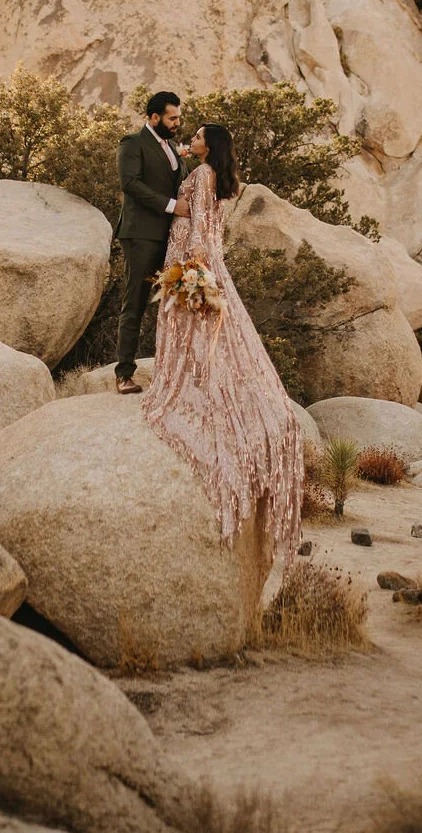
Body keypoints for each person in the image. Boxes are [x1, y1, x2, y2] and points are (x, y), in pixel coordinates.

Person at [142, 123, 304, 566]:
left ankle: (184, 377)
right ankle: (191, 369)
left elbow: (200, 222)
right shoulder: (214, 174)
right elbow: (212, 224)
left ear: (209, 145)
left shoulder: (204, 173)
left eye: (197, 136)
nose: (192, 140)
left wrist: (194, 263)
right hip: (200, 250)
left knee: (185, 318)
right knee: (196, 323)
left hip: (189, 250)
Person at [114, 90, 187, 394]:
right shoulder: (132, 143)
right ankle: (124, 374)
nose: (177, 123)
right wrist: (172, 206)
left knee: (173, 305)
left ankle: (171, 373)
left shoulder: (171, 148)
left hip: (170, 238)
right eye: (172, 118)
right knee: (135, 302)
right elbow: (130, 184)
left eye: (178, 117)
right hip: (141, 235)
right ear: (154, 117)